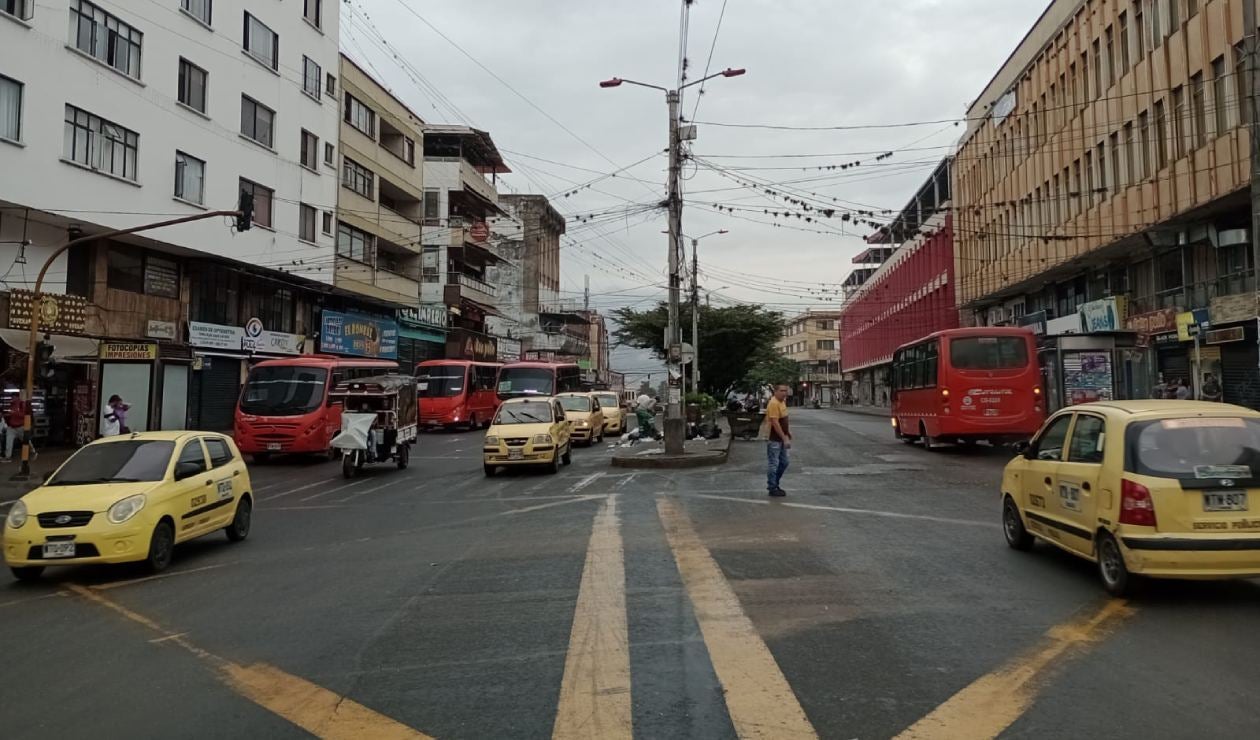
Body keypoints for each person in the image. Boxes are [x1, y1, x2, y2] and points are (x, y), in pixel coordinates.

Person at [763, 383, 792, 497]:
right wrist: (784, 438)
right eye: (781, 390)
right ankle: (772, 487)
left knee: (784, 462)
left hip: (781, 438)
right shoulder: (774, 403)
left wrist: (787, 432)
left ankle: (775, 483)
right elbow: (775, 423)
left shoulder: (782, 402)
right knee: (773, 464)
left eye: (785, 390)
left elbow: (783, 419)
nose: (784, 393)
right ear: (775, 391)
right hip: (774, 438)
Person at [3, 392, 29, 462]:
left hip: (20, 426)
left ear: (17, 397)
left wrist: (14, 413)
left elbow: (23, 415)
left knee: (25, 441)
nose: (12, 398)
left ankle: (32, 452)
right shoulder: (11, 404)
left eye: (13, 397)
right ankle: (8, 457)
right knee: (9, 442)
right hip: (11, 426)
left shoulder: (21, 404)